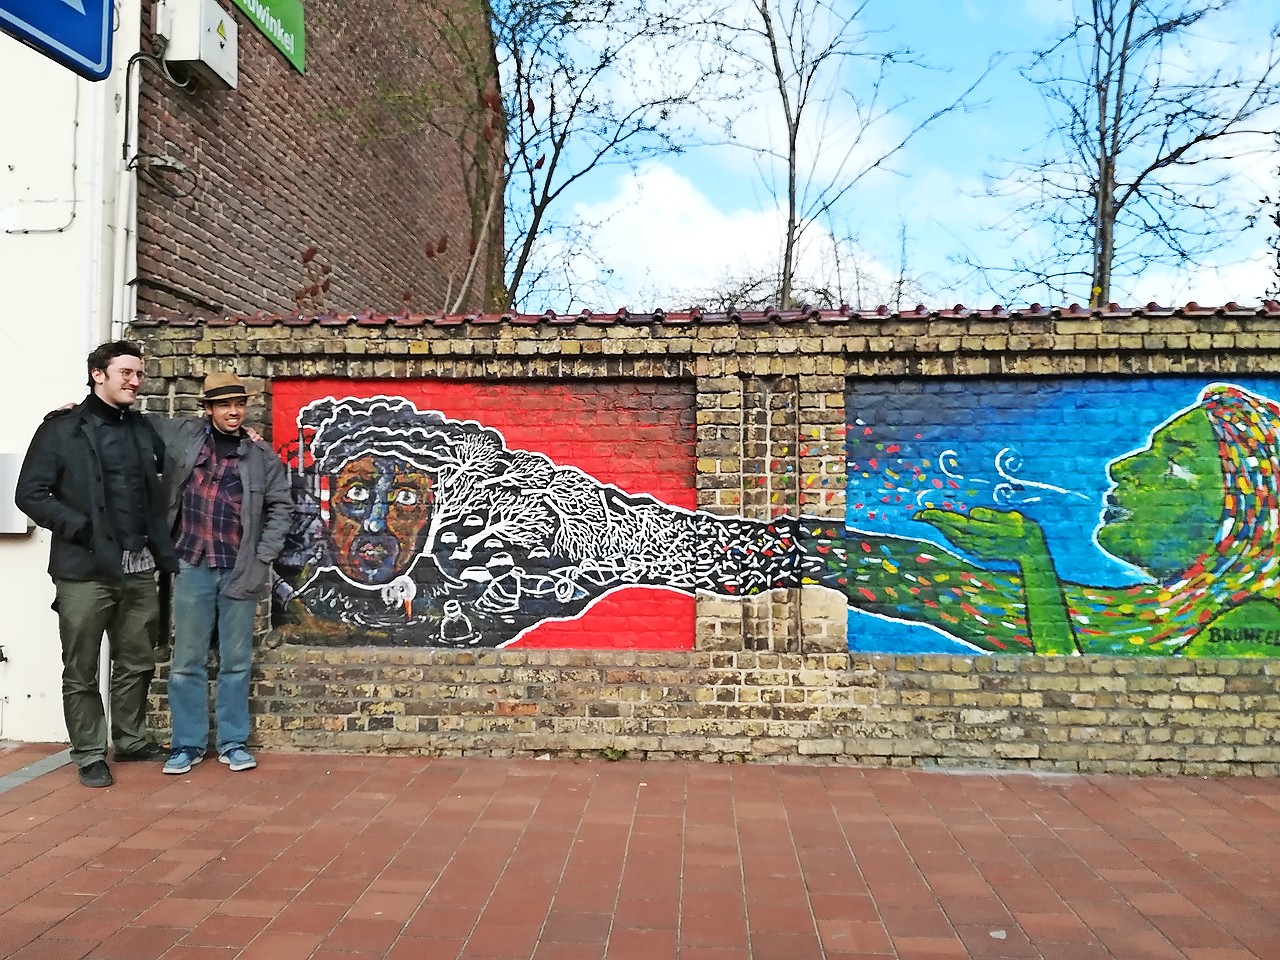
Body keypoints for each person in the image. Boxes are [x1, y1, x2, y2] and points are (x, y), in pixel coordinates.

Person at [15, 341, 178, 788]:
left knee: (137, 661)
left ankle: (130, 739)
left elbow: (183, 452)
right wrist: (81, 528)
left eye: (139, 374)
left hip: (140, 567)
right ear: (97, 374)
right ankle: (89, 752)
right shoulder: (62, 429)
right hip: (84, 569)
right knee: (81, 667)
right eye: (126, 372)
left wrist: (246, 436)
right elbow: (29, 493)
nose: (135, 381)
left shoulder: (143, 428)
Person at [155, 372, 292, 775]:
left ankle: (233, 742)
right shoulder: (185, 436)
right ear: (209, 409)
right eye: (224, 405)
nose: (234, 412)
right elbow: (134, 423)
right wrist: (77, 410)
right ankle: (187, 744)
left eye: (239, 404)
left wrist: (263, 557)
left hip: (239, 567)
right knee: (187, 662)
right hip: (191, 562)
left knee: (236, 662)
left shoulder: (260, 456)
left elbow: (282, 507)